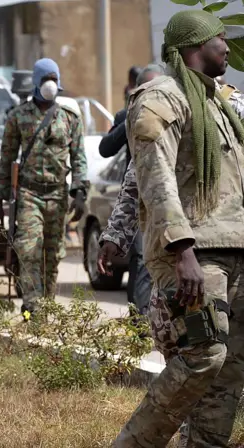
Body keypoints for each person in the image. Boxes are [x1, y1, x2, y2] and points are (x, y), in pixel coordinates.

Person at [112, 10, 244, 447]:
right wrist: (181, 250)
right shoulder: (161, 98)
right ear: (195, 46)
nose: (228, 47)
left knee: (231, 369)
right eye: (220, 39)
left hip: (235, 247)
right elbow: (153, 177)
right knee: (204, 355)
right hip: (194, 254)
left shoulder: (220, 101)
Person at [0, 58, 88, 318]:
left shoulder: (70, 118)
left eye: (54, 80)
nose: (50, 84)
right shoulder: (18, 117)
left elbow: (79, 157)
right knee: (28, 249)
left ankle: (46, 305)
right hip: (28, 194)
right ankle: (33, 307)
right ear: (36, 82)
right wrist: (0, 202)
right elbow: (6, 159)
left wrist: (79, 192)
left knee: (53, 254)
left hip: (57, 195)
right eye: (46, 79)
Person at [97, 64, 165, 316]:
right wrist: (130, 118)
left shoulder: (176, 115)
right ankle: (140, 322)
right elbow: (105, 149)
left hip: (169, 204)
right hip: (137, 201)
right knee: (140, 259)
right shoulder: (128, 117)